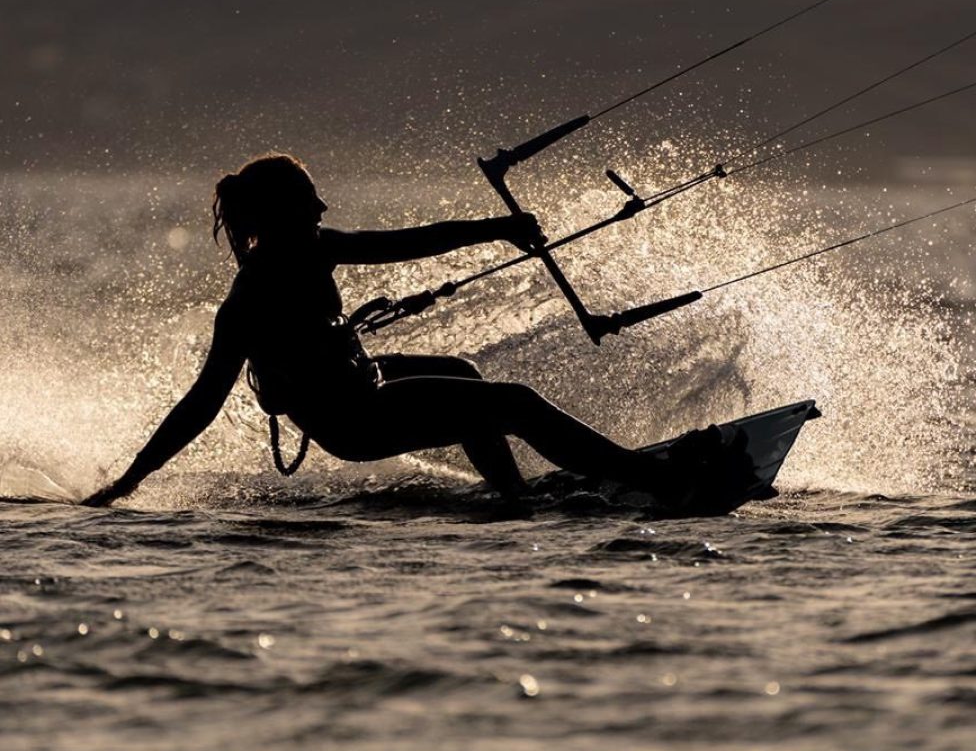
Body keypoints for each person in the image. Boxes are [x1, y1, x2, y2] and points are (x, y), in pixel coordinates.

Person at [83, 153, 695, 509]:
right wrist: (132, 481)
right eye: (308, 202)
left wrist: (496, 229)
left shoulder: (311, 248)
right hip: (352, 419)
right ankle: (649, 481)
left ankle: (512, 497)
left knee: (462, 376)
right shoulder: (250, 300)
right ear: (278, 216)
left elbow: (407, 243)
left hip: (360, 387)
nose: (322, 210)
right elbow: (200, 403)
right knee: (512, 403)